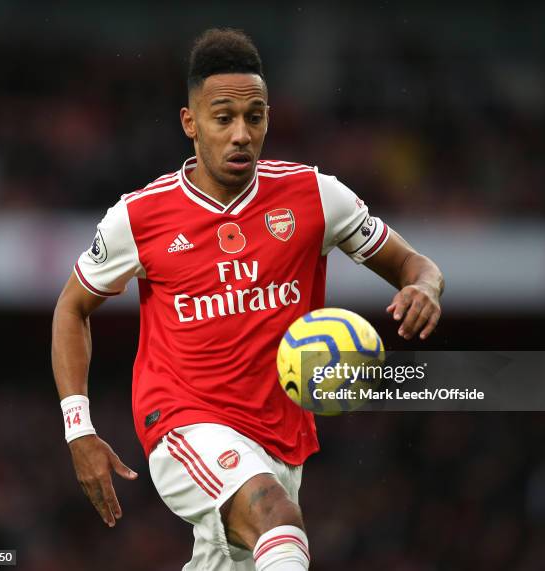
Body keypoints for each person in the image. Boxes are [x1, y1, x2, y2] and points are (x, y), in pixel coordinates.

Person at [52, 27, 444, 571]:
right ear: (191, 124)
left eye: (254, 117)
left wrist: (423, 287)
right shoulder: (139, 217)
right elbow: (72, 308)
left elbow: (412, 263)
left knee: (260, 542)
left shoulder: (313, 197)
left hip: (280, 436)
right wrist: (80, 429)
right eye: (223, 118)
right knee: (278, 519)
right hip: (184, 423)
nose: (241, 134)